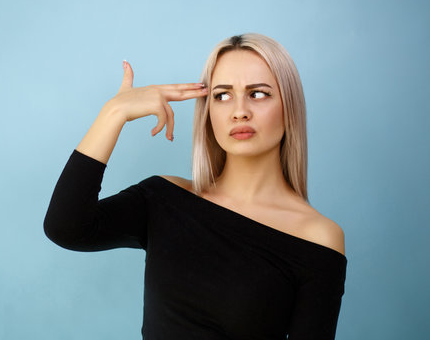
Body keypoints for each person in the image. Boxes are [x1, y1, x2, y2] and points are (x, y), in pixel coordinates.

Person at [44, 33, 347, 339]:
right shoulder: (163, 199)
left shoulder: (317, 237)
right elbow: (66, 227)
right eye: (222, 95)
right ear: (208, 111)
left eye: (258, 94)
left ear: (288, 106)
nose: (239, 110)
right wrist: (113, 114)